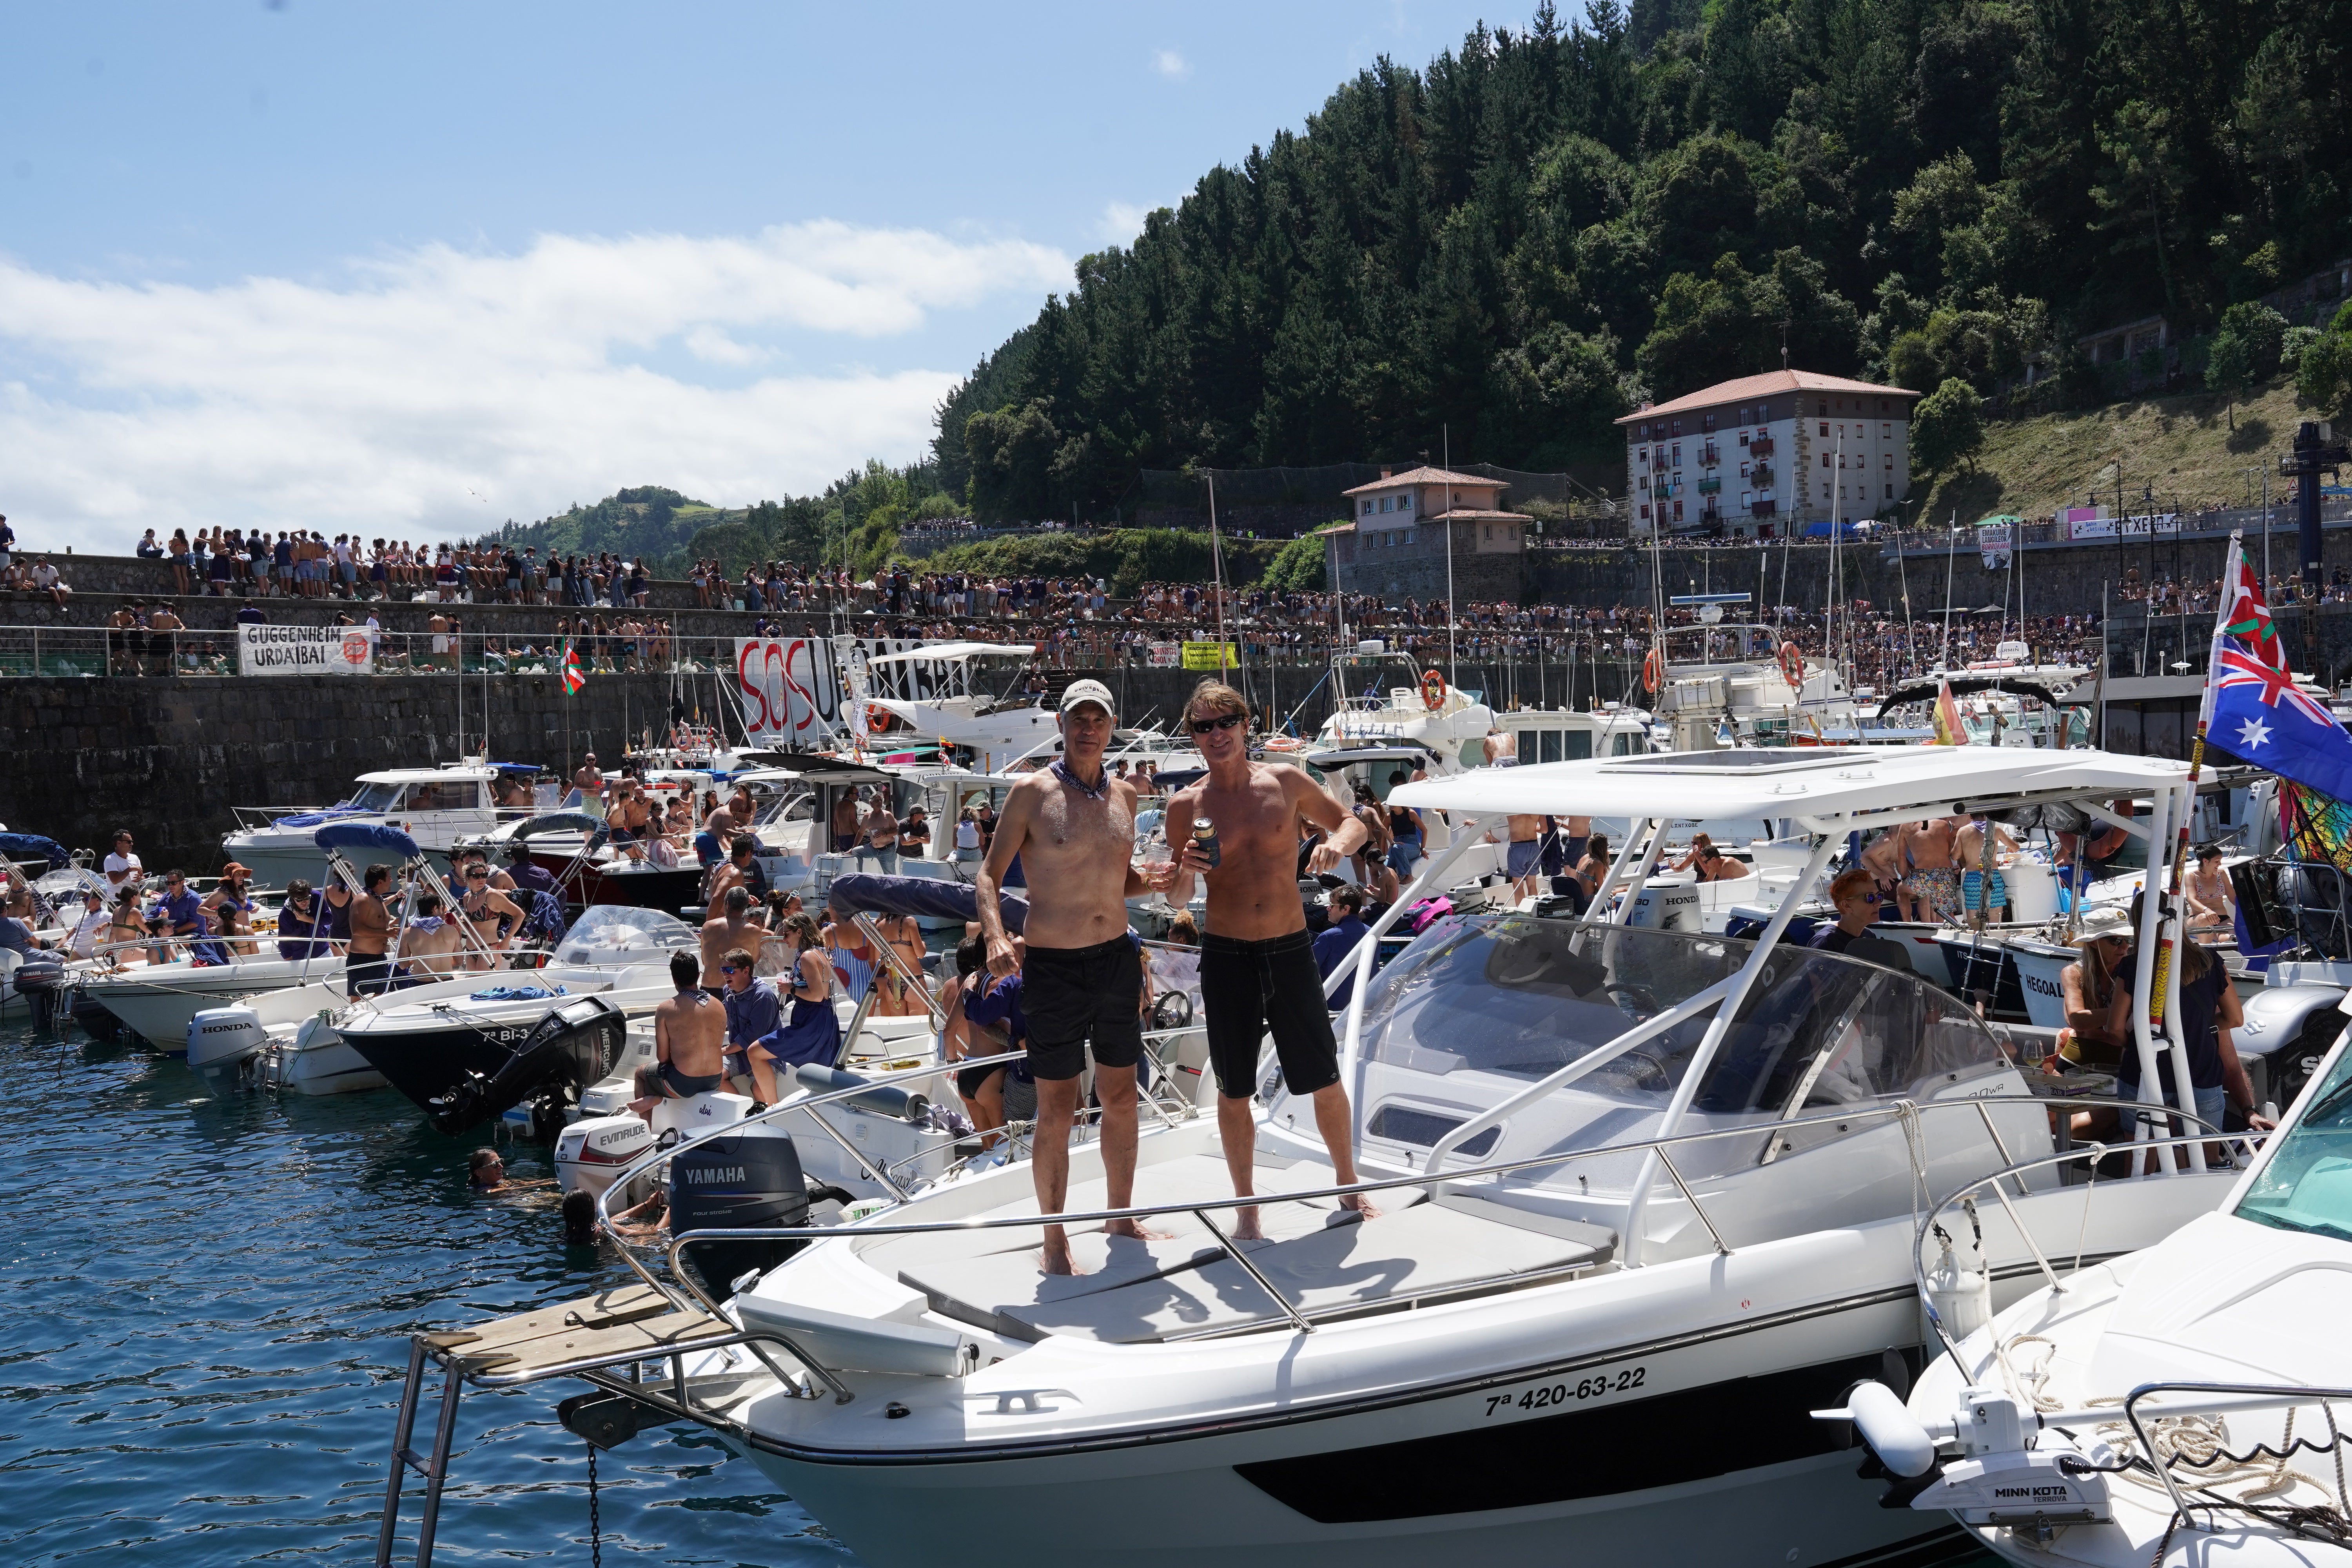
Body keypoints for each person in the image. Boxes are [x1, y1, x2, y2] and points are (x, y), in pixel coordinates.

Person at [1160, 680, 1376, 1242]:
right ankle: (1247, 1206)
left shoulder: (1284, 783)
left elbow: (1351, 821)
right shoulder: (1186, 806)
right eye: (1203, 727)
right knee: (1233, 1090)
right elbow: (1178, 901)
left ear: (1244, 724)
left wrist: (1337, 846)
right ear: (1194, 738)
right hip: (1227, 954)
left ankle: (1349, 1182)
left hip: (1288, 948)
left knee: (1324, 1077)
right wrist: (1186, 869)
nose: (1216, 734)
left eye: (1224, 721)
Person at [974, 677, 1160, 1276]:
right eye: (1078, 719)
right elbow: (987, 878)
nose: (1088, 729)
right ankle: (1054, 1241)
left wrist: (1149, 881)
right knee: (1057, 1106)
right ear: (1061, 724)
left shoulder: (1127, 798)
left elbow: (1115, 879)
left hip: (1115, 959)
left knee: (1121, 1097)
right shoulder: (1032, 793)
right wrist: (998, 935)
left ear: (1111, 728)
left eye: (1098, 720)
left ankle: (1120, 1215)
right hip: (1052, 966)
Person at [2102, 895, 2273, 1161]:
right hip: (2201, 1071)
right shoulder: (2210, 961)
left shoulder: (2134, 965)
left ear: (2139, 922)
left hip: (2145, 1072)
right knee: (2204, 1161)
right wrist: (2198, 1027)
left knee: (2140, 1160)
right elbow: (2236, 1019)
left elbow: (2114, 1029)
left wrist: (2137, 1044)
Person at [746, 917, 842, 1092]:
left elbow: (817, 996)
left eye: (786, 934)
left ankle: (771, 1107)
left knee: (754, 1052)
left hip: (812, 1023)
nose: (784, 939)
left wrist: (790, 989)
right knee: (819, 1073)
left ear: (800, 932)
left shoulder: (808, 957)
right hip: (818, 1020)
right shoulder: (816, 952)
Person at [939, 935, 1010, 1141]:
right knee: (1005, 1143)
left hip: (967, 1071)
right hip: (992, 1070)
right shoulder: (1002, 983)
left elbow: (948, 1031)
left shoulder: (970, 982)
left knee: (988, 1146)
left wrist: (952, 1063)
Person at [653, 949, 728, 1098]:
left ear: (674, 979)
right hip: (715, 1079)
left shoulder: (665, 1009)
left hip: (683, 1083)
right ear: (698, 975)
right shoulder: (719, 1005)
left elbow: (662, 1059)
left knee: (642, 1074)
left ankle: (650, 1109)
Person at [327, 862, 397, 996]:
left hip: (379, 959)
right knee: (359, 1002)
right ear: (380, 881)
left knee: (381, 999)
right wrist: (385, 933)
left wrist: (393, 929)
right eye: (389, 877)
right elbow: (357, 930)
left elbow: (377, 924)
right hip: (362, 960)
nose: (392, 880)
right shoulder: (363, 899)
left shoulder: (378, 899)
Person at [1310, 884, 1372, 1009]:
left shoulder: (1328, 937)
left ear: (1346, 909)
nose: (1328, 908)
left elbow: (1308, 970)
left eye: (1332, 905)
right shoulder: (1372, 934)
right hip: (1366, 1007)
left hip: (1334, 1010)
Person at [454, 862, 524, 969]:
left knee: (483, 985)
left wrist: (507, 940)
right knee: (472, 985)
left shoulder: (492, 895)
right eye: (476, 876)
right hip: (470, 949)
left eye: (484, 875)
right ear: (468, 878)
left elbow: (520, 914)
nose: (481, 879)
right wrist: (461, 923)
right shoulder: (466, 897)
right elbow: (473, 926)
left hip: (489, 948)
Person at [1955, 814, 2020, 924]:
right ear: (1986, 816)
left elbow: (1955, 856)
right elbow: (2016, 847)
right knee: (1995, 916)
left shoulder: (1963, 831)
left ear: (1970, 816)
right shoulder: (1996, 830)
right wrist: (2010, 847)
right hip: (1992, 876)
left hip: (1972, 879)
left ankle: (1977, 937)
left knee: (1974, 916)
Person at [700, 885, 767, 991]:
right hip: (736, 990)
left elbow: (704, 961)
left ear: (727, 904)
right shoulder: (754, 931)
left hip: (708, 988)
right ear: (745, 907)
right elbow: (754, 960)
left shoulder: (708, 926)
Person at [1806, 869, 1883, 953]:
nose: (1879, 903)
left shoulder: (1869, 936)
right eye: (1870, 898)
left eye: (1879, 896)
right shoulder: (1825, 942)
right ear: (1847, 906)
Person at [395, 892, 463, 980]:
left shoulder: (408, 933)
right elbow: (459, 962)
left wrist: (417, 958)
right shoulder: (451, 930)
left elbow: (403, 965)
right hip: (447, 981)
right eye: (441, 908)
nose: (443, 911)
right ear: (435, 908)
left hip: (421, 984)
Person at [276, 878, 333, 962]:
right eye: (299, 900)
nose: (304, 902)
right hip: (299, 956)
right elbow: (284, 940)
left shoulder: (317, 897)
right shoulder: (286, 914)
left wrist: (308, 919)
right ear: (292, 899)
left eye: (307, 898)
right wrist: (289, 961)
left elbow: (329, 919)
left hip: (321, 949)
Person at [2185, 844, 2236, 936]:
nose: (2220, 864)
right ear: (2206, 861)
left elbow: (2233, 897)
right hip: (2199, 918)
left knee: (2231, 937)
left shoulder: (2222, 874)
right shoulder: (2191, 877)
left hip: (2222, 919)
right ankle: (2205, 949)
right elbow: (2192, 900)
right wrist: (2206, 910)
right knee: (2205, 919)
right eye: (2217, 861)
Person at [102, 829, 142, 895]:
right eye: (129, 842)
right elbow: (115, 881)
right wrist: (130, 869)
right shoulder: (111, 859)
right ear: (119, 843)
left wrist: (139, 878)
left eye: (132, 842)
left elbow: (143, 877)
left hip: (134, 898)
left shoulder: (135, 858)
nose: (132, 844)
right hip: (117, 899)